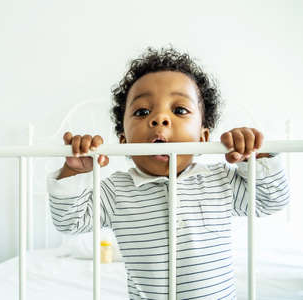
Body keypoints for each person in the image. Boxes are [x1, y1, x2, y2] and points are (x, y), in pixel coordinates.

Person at [47, 47, 289, 300]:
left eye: (180, 110)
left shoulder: (220, 181)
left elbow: (271, 200)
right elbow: (70, 222)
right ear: (123, 140)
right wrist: (73, 172)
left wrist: (257, 158)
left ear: (203, 137)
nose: (160, 118)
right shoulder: (116, 192)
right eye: (142, 112)